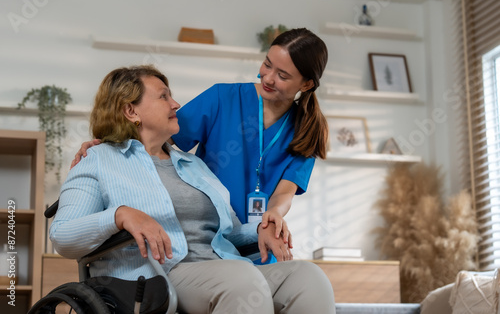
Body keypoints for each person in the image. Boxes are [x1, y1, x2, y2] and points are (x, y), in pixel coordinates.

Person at [51, 65, 336, 313]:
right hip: (156, 275)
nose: (175, 104)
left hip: (221, 266)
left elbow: (227, 231)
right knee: (240, 279)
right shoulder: (99, 159)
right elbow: (62, 235)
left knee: (307, 278)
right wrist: (120, 215)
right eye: (163, 96)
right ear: (130, 110)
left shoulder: (193, 165)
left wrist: (262, 229)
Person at [70, 28, 329, 249]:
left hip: (259, 236)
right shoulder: (221, 99)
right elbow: (155, 141)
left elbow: (285, 191)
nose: (268, 77)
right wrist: (107, 146)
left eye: (283, 75)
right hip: (209, 238)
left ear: (306, 85)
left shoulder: (308, 129)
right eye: (267, 64)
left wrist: (274, 214)